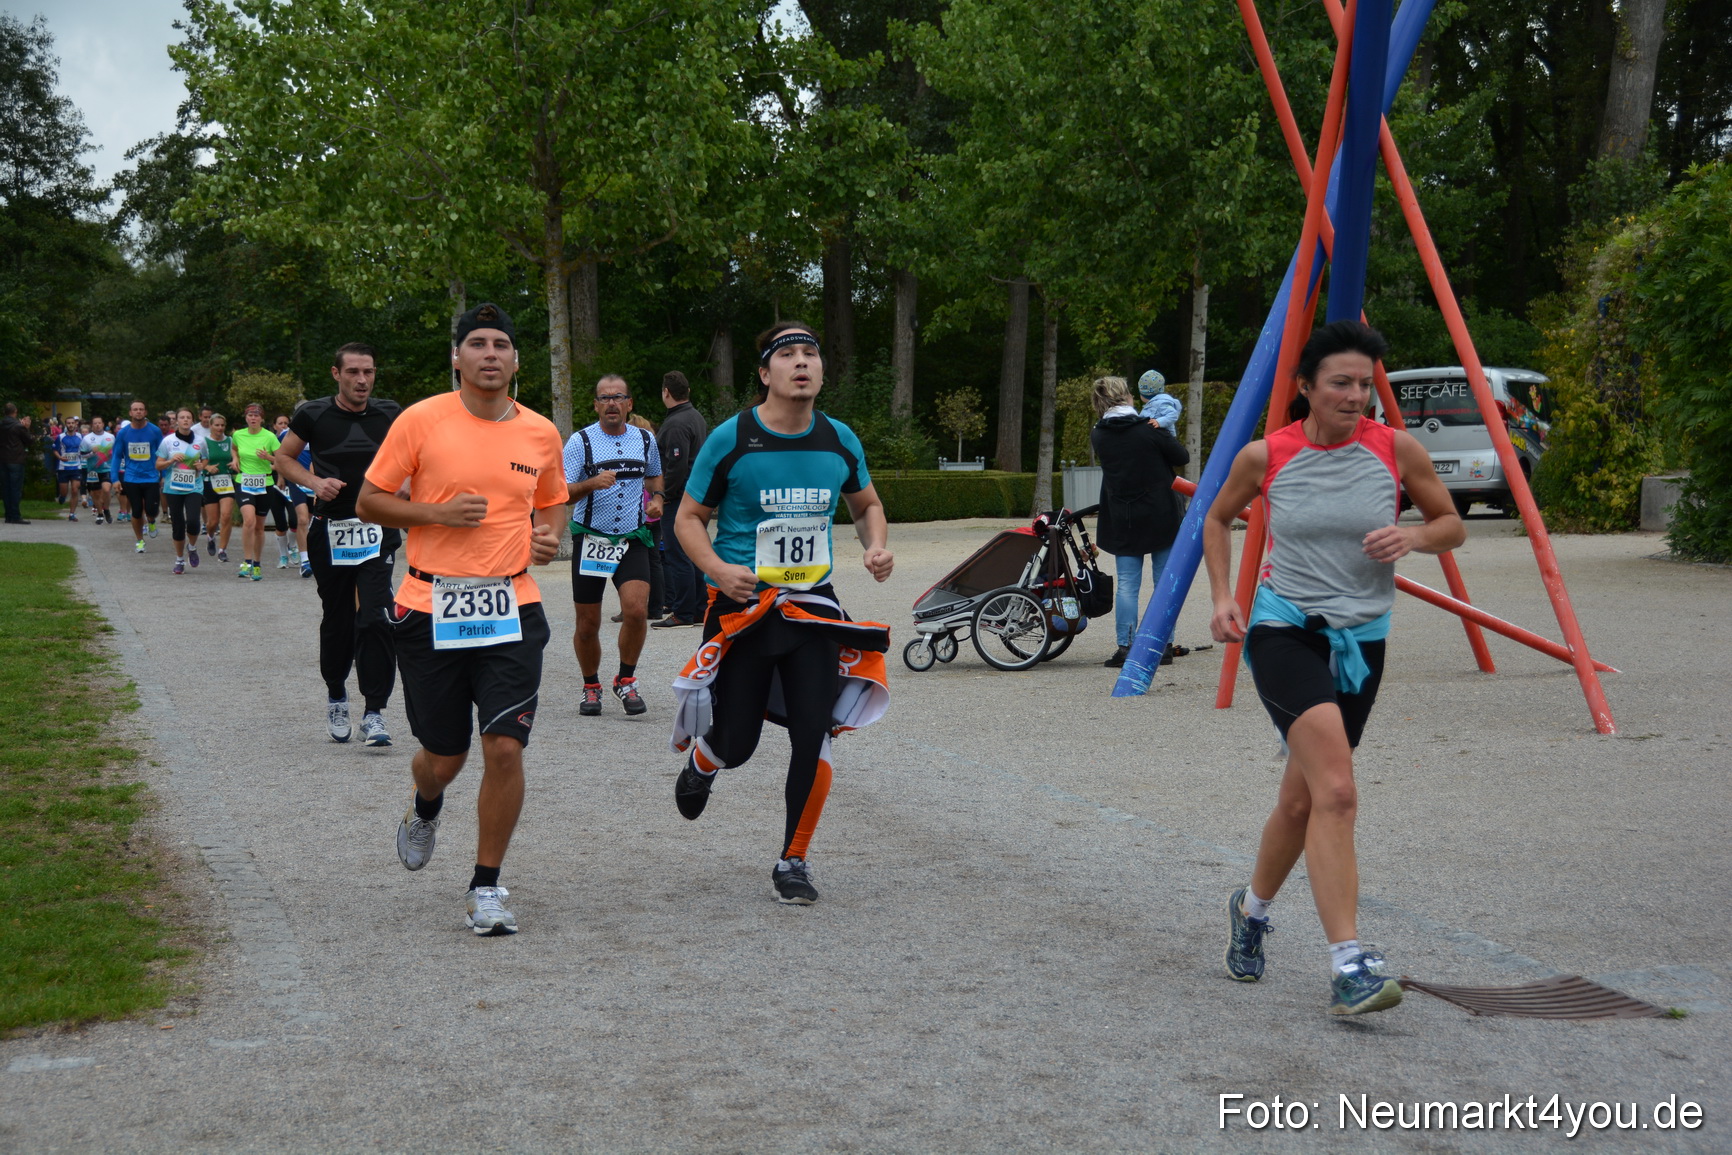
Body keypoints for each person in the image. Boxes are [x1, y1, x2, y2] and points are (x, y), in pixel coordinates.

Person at [1204, 320, 1465, 1016]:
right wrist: (1225, 596)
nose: (1357, 397)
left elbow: (1451, 524)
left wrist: (1413, 533)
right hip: (1285, 631)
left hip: (1363, 640)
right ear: (1306, 388)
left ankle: (1251, 910)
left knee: (1303, 799)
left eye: (1366, 384)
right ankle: (1350, 962)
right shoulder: (1268, 455)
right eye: (1342, 383)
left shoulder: (1396, 448)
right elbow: (1216, 516)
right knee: (1340, 791)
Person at [356, 302, 565, 936]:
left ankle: (487, 885)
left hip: (512, 605)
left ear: (516, 360)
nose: (490, 354)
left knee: (503, 747)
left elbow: (552, 506)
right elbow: (369, 501)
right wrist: (437, 515)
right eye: (477, 343)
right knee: (442, 757)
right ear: (457, 357)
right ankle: (425, 807)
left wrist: (548, 537)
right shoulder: (420, 421)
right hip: (429, 605)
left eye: (502, 344)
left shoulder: (540, 432)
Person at [670, 321, 894, 905]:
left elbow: (867, 503)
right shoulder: (732, 438)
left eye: (810, 355)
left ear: (822, 372)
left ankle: (793, 859)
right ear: (765, 374)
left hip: (811, 609)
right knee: (738, 742)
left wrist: (875, 543)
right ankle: (705, 757)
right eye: (787, 355)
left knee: (812, 733)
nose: (802, 364)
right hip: (744, 608)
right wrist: (718, 571)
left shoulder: (839, 438)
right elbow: (687, 518)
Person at [276, 342, 402, 747]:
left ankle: (375, 712)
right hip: (330, 529)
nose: (361, 380)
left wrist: (409, 493)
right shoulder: (313, 413)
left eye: (368, 371)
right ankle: (336, 695)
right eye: (353, 372)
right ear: (336, 374)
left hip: (377, 528)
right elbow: (283, 459)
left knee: (377, 618)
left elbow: (415, 460)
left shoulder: (390, 412)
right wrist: (314, 483)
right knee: (338, 619)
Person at [563, 375, 663, 717]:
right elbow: (560, 492)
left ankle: (626, 679)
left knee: (636, 611)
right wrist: (591, 483)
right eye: (604, 398)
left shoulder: (646, 439)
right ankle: (591, 685)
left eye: (618, 397)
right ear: (595, 405)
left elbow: (654, 476)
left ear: (629, 404)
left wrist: (658, 498)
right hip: (591, 538)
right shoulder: (580, 442)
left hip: (632, 538)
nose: (611, 404)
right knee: (587, 624)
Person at [1092, 376, 1190, 669]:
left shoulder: (1099, 434)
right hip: (1161, 513)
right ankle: (1164, 645)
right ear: (1126, 397)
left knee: (1127, 586)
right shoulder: (1149, 429)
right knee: (1163, 582)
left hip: (1124, 516)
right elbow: (1181, 456)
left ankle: (1126, 646)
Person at [653, 370, 708, 628]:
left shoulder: (676, 423)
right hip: (695, 494)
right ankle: (698, 610)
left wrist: (665, 495)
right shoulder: (694, 416)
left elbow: (676, 465)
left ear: (666, 391)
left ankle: (683, 613)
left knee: (677, 554)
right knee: (693, 552)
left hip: (679, 497)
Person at [231, 403, 282, 579]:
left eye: (257, 415)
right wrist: (235, 458)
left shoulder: (269, 437)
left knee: (259, 527)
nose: (253, 418)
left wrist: (268, 457)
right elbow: (234, 448)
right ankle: (247, 561)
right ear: (246, 418)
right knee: (249, 521)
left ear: (262, 418)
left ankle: (258, 564)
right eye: (250, 415)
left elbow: (282, 460)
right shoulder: (238, 435)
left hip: (265, 482)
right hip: (244, 481)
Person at [156, 409, 207, 574]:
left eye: (188, 418)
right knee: (177, 526)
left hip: (194, 486)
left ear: (192, 421)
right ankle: (179, 560)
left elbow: (205, 459)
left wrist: (202, 466)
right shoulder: (168, 441)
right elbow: (158, 465)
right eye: (182, 418)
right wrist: (171, 460)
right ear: (176, 421)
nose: (185, 420)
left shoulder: (200, 441)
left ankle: (192, 547)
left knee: (193, 521)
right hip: (173, 488)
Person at [113, 401, 164, 551]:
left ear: (146, 412)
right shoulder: (123, 433)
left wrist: (164, 475)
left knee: (151, 510)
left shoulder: (154, 431)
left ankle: (151, 521)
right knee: (136, 511)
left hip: (151, 477)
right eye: (135, 410)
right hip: (131, 478)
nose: (138, 412)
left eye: (141, 409)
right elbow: (116, 456)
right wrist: (115, 479)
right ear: (130, 413)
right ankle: (140, 541)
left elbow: (163, 454)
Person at [272, 414, 312, 572]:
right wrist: (281, 476)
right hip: (296, 481)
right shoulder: (286, 434)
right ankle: (304, 561)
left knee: (311, 523)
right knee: (301, 519)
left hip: (315, 482)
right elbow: (281, 458)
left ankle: (311, 554)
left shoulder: (320, 430)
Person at [199, 413, 238, 561]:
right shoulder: (203, 442)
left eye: (222, 425)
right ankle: (210, 536)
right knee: (212, 522)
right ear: (210, 426)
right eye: (217, 425)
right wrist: (207, 467)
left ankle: (222, 550)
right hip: (209, 482)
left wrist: (235, 462)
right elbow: (195, 462)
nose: (220, 428)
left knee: (226, 516)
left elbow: (237, 455)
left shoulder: (230, 440)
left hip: (226, 481)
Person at [0, 403, 31, 524]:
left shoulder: (1, 424)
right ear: (15, 411)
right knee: (15, 489)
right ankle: (15, 515)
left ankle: (8, 515)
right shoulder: (18, 426)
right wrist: (27, 427)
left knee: (6, 488)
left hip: (3, 460)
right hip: (16, 460)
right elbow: (29, 440)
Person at [82, 416, 115, 524]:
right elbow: (82, 455)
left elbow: (115, 452)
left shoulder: (110, 437)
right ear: (92, 425)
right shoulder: (87, 438)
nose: (97, 425)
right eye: (95, 423)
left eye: (99, 423)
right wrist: (92, 453)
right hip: (93, 468)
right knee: (95, 494)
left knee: (106, 489)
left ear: (103, 424)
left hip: (107, 468)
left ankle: (106, 509)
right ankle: (100, 514)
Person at [55, 418, 85, 521]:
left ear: (75, 424)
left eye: (72, 423)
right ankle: (62, 497)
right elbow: (54, 450)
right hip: (63, 467)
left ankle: (72, 514)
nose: (71, 425)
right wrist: (60, 457)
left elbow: (86, 449)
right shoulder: (61, 437)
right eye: (69, 423)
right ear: (66, 424)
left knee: (74, 490)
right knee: (64, 491)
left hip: (76, 467)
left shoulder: (81, 437)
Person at [1137, 368, 1183, 433]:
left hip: (1164, 437)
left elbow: (1173, 414)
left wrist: (1159, 422)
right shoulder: (1151, 404)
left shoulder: (1161, 403)